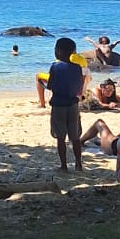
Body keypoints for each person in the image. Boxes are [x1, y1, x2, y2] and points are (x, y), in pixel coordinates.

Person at [40, 38, 84, 173]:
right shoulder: (77, 68)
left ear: (58, 51)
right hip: (73, 104)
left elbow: (51, 85)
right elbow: (78, 87)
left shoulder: (55, 67)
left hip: (59, 104)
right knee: (75, 137)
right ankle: (78, 164)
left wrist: (44, 84)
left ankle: (64, 165)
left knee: (60, 137)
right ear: (73, 52)